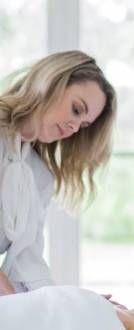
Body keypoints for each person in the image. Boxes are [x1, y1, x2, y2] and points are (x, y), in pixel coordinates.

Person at [0, 50, 116, 293]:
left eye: (83, 125)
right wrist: (19, 307)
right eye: (76, 109)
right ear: (51, 81)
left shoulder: (39, 176)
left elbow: (27, 263)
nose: (75, 127)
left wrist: (66, 303)